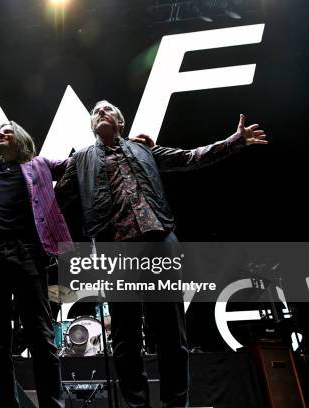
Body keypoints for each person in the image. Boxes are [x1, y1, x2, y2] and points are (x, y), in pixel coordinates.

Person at [56, 99, 268, 407]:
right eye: (95, 112)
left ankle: (175, 404)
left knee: (171, 334)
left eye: (108, 109)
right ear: (92, 126)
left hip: (159, 241)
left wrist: (235, 141)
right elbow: (53, 201)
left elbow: (191, 157)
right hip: (114, 248)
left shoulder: (145, 150)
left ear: (120, 122)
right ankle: (138, 405)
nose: (101, 112)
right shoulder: (82, 159)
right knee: (125, 338)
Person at [0, 121, 74, 408]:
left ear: (21, 138)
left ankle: (52, 404)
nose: (0, 134)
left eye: (7, 130)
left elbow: (74, 164)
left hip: (26, 252)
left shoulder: (38, 164)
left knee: (40, 333)